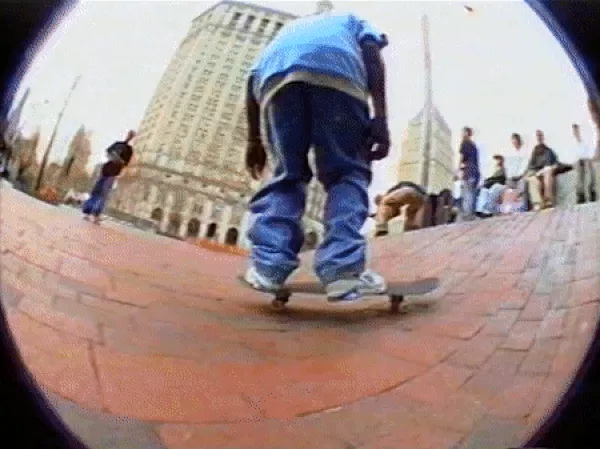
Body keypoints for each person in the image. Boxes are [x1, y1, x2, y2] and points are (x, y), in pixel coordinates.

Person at [242, 11, 390, 301]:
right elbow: (371, 50)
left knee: (287, 175)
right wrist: (381, 117)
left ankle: (268, 267)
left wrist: (254, 139)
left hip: (276, 79)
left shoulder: (287, 32)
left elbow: (252, 79)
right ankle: (342, 272)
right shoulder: (353, 20)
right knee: (347, 172)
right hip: (339, 76)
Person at [82, 130, 135, 223]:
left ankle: (95, 214)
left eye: (131, 135)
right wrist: (113, 157)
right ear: (127, 134)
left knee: (104, 193)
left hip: (114, 172)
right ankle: (88, 211)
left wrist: (118, 160)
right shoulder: (117, 144)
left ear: (132, 137)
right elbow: (108, 153)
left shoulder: (129, 150)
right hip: (105, 170)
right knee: (96, 191)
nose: (129, 136)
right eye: (129, 134)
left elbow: (125, 163)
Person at [525, 129, 559, 209]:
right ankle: (538, 203)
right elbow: (530, 167)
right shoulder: (534, 152)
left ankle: (548, 200)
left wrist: (547, 169)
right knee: (533, 180)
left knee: (548, 171)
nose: (539, 138)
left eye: (540, 136)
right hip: (536, 173)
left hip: (546, 172)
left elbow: (554, 163)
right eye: (537, 136)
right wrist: (535, 173)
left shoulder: (548, 150)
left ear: (543, 137)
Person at [458, 127, 481, 221]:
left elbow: (462, 157)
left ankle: (467, 217)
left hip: (468, 172)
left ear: (467, 133)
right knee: (472, 194)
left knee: (467, 194)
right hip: (475, 173)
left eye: (462, 132)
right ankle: (471, 216)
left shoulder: (465, 142)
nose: (461, 134)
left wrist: (458, 169)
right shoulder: (473, 145)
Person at [572, 123, 597, 203]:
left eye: (577, 130)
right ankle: (580, 195)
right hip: (577, 162)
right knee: (579, 170)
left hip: (586, 160)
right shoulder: (572, 143)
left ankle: (592, 191)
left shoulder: (584, 142)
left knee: (589, 166)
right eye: (575, 130)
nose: (576, 132)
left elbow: (589, 154)